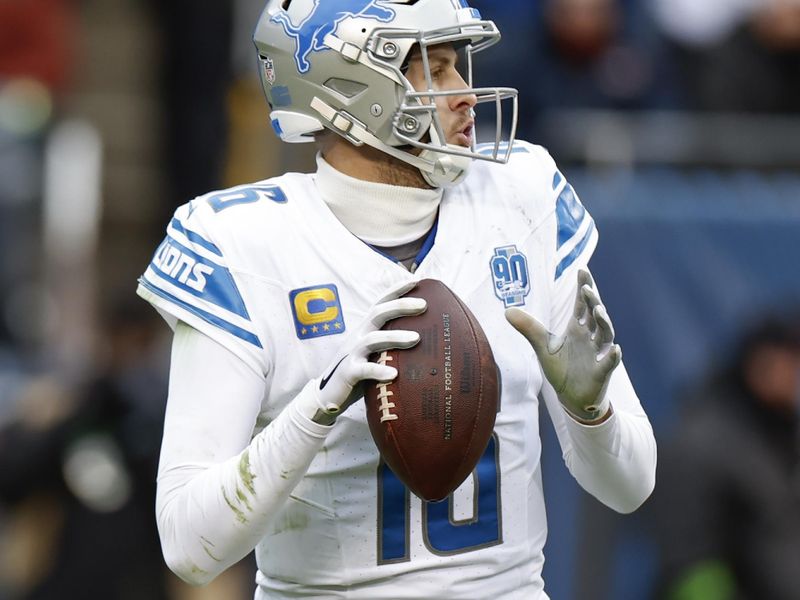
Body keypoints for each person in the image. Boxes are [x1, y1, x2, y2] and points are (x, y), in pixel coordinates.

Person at [136, 1, 656, 597]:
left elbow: (631, 486)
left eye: (458, 65)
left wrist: (591, 413)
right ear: (348, 89)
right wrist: (316, 412)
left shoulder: (519, 196)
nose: (465, 94)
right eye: (433, 70)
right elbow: (187, 547)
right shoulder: (244, 243)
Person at [654, 315, 800, 600]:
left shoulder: (783, 433)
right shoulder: (700, 443)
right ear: (763, 361)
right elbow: (690, 568)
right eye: (792, 358)